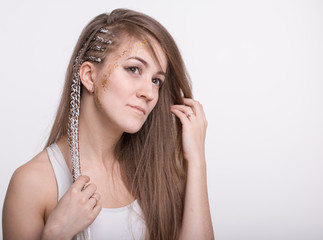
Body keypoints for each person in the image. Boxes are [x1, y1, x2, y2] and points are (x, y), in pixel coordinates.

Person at [2, 8, 213, 240]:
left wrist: (196, 162)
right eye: (134, 69)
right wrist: (55, 234)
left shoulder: (156, 173)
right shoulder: (32, 184)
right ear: (90, 76)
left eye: (156, 80)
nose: (150, 93)